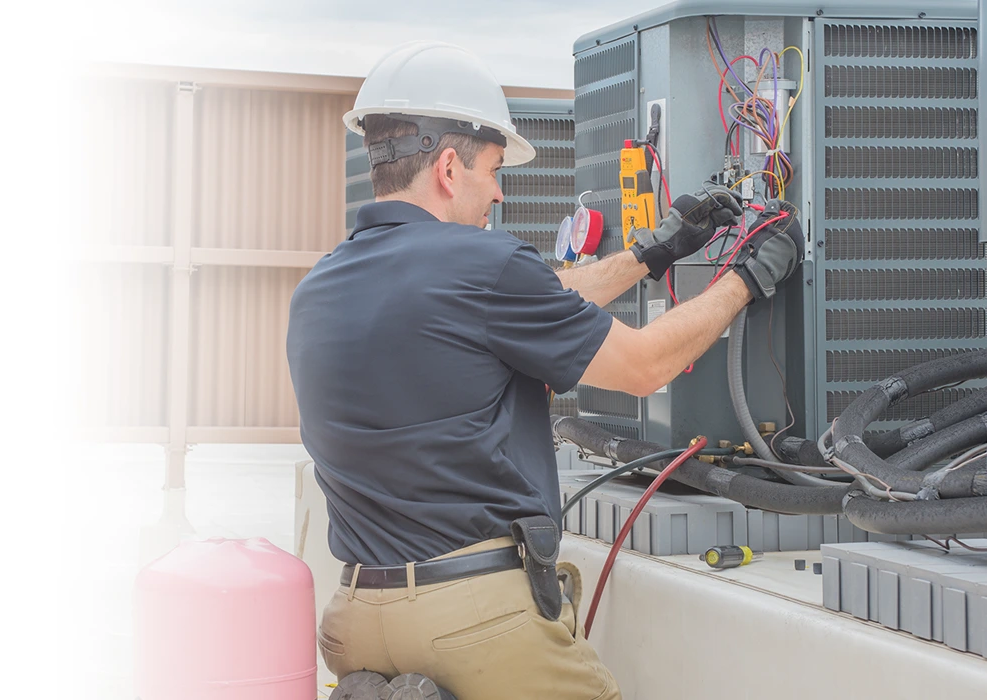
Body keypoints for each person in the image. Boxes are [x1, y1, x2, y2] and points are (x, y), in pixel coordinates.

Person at [286, 40, 804, 700]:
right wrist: (746, 278)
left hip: (354, 618)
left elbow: (537, 303)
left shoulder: (321, 287)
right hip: (471, 617)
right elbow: (645, 366)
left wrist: (656, 252)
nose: (499, 193)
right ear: (449, 167)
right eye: (495, 169)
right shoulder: (483, 266)